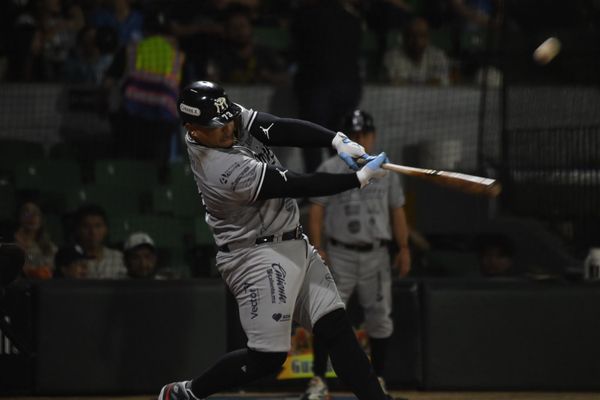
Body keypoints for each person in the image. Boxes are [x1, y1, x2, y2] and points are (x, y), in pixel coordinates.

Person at [158, 80, 394, 400]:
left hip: (292, 240)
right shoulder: (218, 168)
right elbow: (293, 183)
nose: (228, 127)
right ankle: (188, 393)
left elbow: (275, 128)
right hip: (255, 255)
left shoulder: (221, 119)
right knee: (267, 358)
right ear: (193, 130)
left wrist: (335, 140)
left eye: (228, 118)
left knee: (337, 330)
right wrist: (358, 179)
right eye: (217, 125)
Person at [301, 109, 411, 400]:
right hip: (340, 253)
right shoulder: (330, 166)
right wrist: (317, 245)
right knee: (326, 315)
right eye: (354, 134)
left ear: (372, 135)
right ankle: (318, 380)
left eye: (364, 133)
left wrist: (404, 247)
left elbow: (397, 211)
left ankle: (379, 380)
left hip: (376, 254)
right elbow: (317, 208)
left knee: (379, 318)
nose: (360, 138)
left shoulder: (386, 170)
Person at [290, 0, 363, 172]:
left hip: (316, 85)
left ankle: (315, 192)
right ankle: (338, 192)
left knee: (312, 139)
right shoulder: (352, 19)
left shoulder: (305, 15)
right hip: (348, 88)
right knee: (340, 142)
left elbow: (297, 49)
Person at [383, 16, 450, 85]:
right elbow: (395, 84)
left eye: (422, 36)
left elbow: (440, 83)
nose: (417, 41)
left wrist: (408, 82)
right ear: (404, 38)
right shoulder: (392, 56)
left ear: (428, 38)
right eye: (412, 36)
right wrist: (428, 83)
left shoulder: (438, 56)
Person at [72, 204, 126, 279]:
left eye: (98, 226)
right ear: (78, 230)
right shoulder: (72, 260)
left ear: (106, 229)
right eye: (86, 226)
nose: (92, 232)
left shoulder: (118, 258)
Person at [13, 200, 57, 279]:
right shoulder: (9, 245)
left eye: (35, 213)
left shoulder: (50, 247)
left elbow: (50, 272)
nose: (31, 217)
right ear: (18, 217)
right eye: (26, 213)